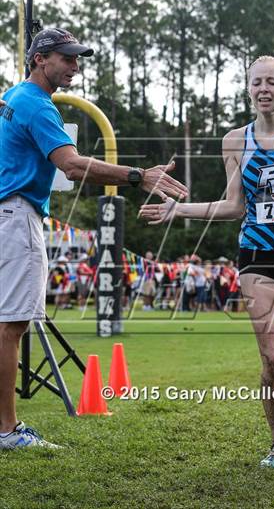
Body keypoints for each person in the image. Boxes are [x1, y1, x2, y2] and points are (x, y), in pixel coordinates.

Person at [139, 55, 274, 468]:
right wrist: (177, 211)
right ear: (249, 89)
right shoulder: (234, 140)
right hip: (257, 254)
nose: (263, 90)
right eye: (256, 83)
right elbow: (235, 205)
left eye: (271, 82)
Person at [0, 27, 188, 450]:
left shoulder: (13, 97)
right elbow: (71, 165)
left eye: (76, 58)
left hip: (7, 213)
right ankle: (7, 432)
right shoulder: (37, 105)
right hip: (16, 217)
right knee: (10, 326)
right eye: (66, 58)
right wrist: (139, 176)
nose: (75, 66)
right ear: (39, 59)